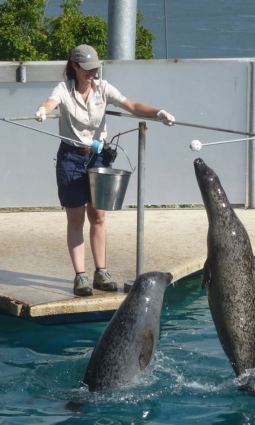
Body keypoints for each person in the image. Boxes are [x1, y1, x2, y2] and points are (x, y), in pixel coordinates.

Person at [35, 44, 176, 297]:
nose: (93, 73)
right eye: (87, 69)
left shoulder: (103, 87)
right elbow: (51, 102)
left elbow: (131, 106)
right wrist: (43, 110)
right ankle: (80, 276)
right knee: (75, 217)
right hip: (70, 157)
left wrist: (158, 113)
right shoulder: (64, 89)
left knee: (98, 215)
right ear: (75, 67)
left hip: (99, 158)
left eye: (95, 68)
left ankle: (101, 272)